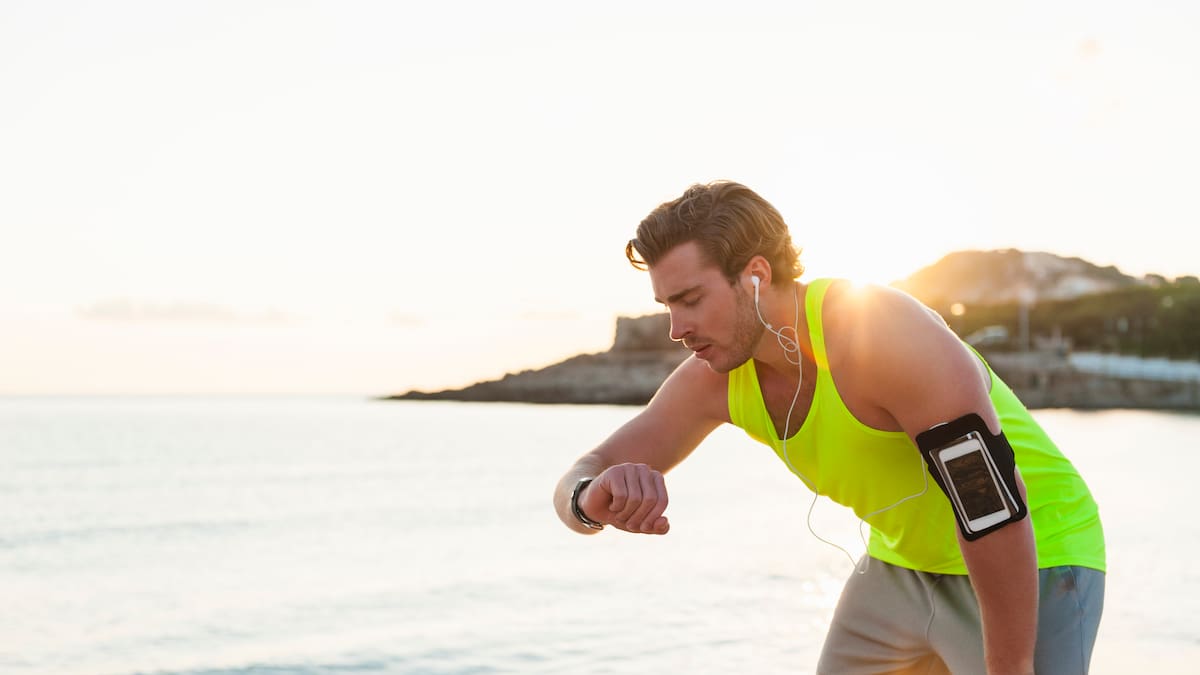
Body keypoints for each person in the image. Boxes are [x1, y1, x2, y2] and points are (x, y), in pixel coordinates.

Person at [552, 181, 1105, 674]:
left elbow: (991, 505)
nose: (676, 328)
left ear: (755, 276)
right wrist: (590, 499)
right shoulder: (714, 378)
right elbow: (585, 471)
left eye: (691, 300)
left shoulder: (878, 334)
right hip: (901, 568)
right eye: (666, 305)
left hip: (1033, 552)